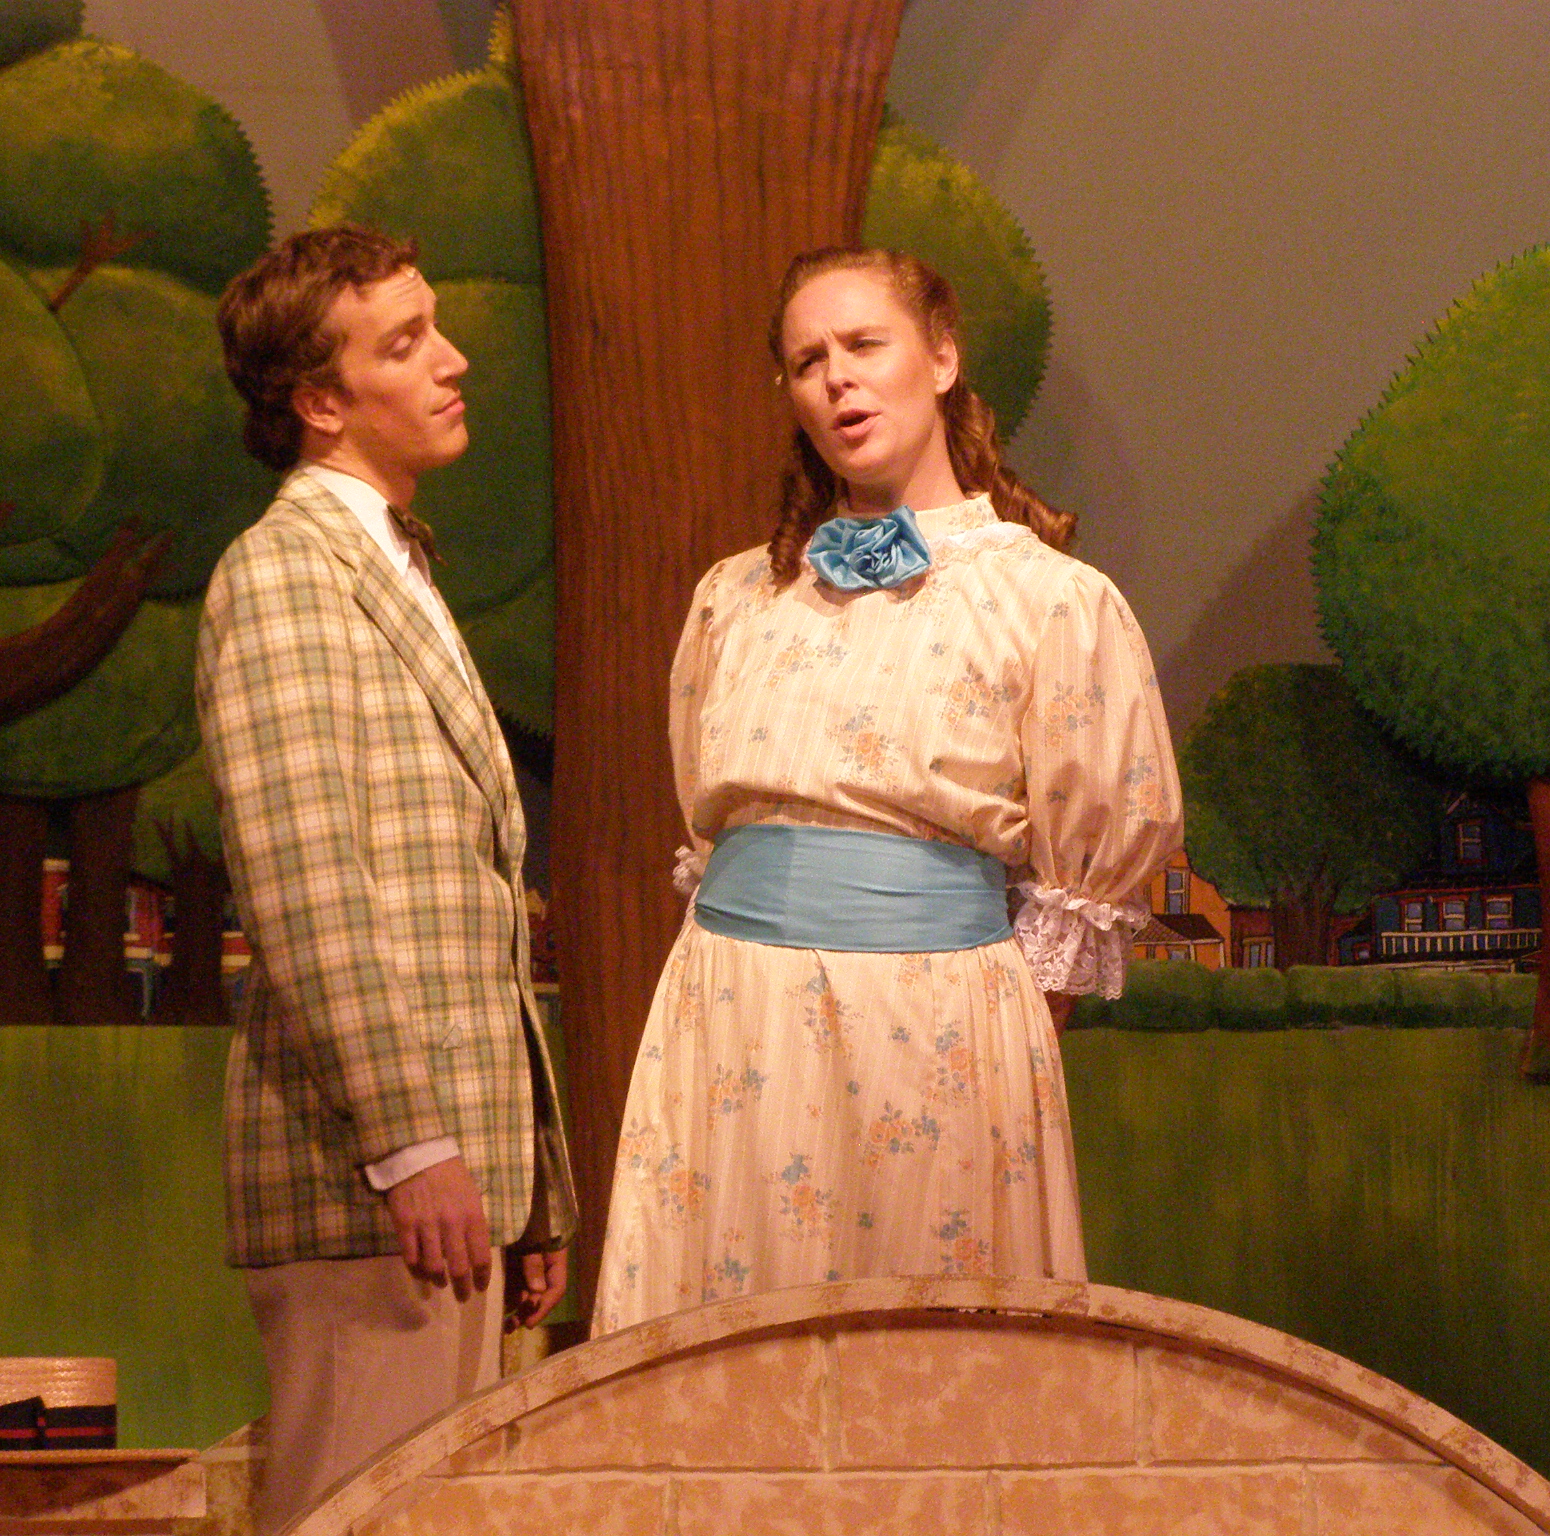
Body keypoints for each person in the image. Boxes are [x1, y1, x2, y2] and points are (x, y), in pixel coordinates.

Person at [592, 246, 1182, 1334]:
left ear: (941, 358)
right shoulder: (736, 599)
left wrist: (979, 1014)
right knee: (734, 1346)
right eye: (806, 361)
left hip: (935, 1020)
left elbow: (1089, 863)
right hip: (735, 1017)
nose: (838, 378)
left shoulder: (1048, 600)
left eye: (864, 344)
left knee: (923, 1347)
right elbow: (704, 817)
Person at [199, 224, 574, 1534]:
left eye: (435, 328)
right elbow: (306, 885)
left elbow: (460, 903)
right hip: (369, 1180)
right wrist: (413, 1145)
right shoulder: (287, 572)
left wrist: (528, 1185)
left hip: (450, 1183)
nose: (451, 361)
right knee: (357, 1515)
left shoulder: (392, 561)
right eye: (405, 344)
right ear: (320, 401)